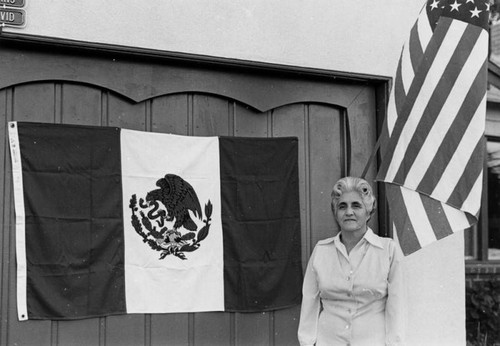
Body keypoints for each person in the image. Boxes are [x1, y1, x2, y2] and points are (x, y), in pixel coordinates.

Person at [297, 176, 405, 346]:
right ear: (335, 212)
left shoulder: (388, 251)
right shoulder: (321, 251)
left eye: (356, 205)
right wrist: (306, 342)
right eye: (342, 206)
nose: (348, 212)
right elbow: (309, 303)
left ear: (368, 211)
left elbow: (397, 307)